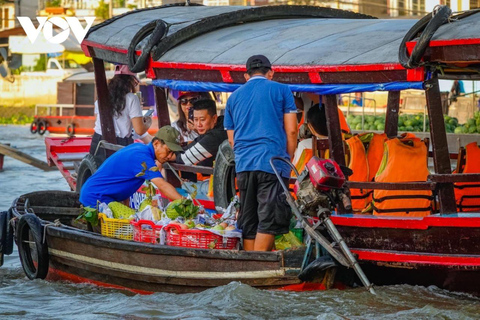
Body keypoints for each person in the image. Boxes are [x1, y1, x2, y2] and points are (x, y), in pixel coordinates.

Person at [224, 54, 298, 252]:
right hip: (272, 162)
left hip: (244, 165)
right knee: (269, 217)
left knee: (249, 217)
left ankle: (249, 266)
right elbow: (291, 130)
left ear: (246, 76)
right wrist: (287, 159)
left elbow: (232, 140)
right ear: (271, 73)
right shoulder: (282, 90)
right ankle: (258, 267)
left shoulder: (233, 98)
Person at [80, 126, 184, 208]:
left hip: (100, 197)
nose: (170, 156)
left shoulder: (140, 149)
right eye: (168, 151)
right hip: (96, 198)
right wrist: (186, 203)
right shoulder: (142, 157)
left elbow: (125, 182)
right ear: (156, 143)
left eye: (173, 153)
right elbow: (162, 186)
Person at [89, 65, 152, 155]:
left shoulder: (101, 97)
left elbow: (100, 121)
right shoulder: (132, 98)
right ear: (129, 81)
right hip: (120, 144)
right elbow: (140, 130)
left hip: (98, 142)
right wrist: (148, 121)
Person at [171, 99, 227, 167]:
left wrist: (168, 157)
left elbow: (185, 159)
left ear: (214, 118)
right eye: (196, 119)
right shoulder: (214, 128)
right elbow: (188, 148)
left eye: (202, 120)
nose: (198, 124)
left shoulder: (217, 135)